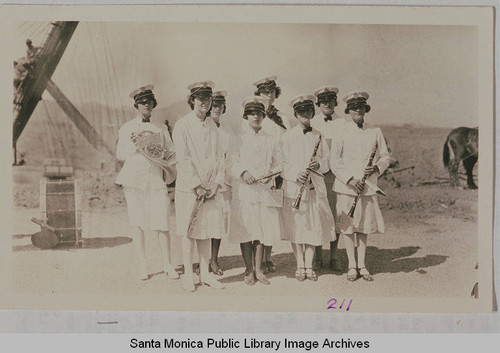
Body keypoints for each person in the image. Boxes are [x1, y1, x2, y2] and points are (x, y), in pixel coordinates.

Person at [115, 85, 178, 281]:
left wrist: (164, 155)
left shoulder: (161, 127)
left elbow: (172, 152)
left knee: (162, 222)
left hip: (155, 179)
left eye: (149, 102)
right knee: (137, 224)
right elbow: (120, 155)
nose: (146, 105)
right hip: (134, 181)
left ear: (154, 104)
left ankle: (167, 264)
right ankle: (143, 264)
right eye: (142, 102)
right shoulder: (127, 128)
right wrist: (135, 145)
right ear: (136, 105)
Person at [330, 91, 390, 282]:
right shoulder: (341, 131)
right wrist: (350, 179)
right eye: (354, 107)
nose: (357, 110)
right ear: (348, 110)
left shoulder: (376, 131)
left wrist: (377, 168)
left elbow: (385, 157)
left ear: (366, 109)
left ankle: (362, 265)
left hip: (367, 186)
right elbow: (334, 160)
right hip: (347, 187)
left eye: (361, 107)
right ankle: (351, 266)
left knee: (363, 226)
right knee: (348, 227)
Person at [172, 81, 225, 292]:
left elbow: (221, 157)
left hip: (210, 189)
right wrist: (196, 185)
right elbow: (182, 159)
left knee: (207, 230)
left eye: (208, 98)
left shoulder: (213, 126)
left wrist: (217, 183)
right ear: (192, 100)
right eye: (200, 98)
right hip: (189, 189)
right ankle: (188, 274)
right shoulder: (182, 125)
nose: (205, 102)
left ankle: (205, 274)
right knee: (189, 231)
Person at [281, 95, 336, 282]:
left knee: (313, 226)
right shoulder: (287, 136)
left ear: (313, 112)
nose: (305, 114)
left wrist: (318, 164)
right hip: (295, 187)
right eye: (301, 111)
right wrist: (296, 174)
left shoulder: (319, 135)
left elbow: (327, 163)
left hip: (314, 188)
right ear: (295, 114)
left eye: (308, 110)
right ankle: (299, 265)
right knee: (296, 227)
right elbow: (282, 163)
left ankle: (309, 265)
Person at [229, 96, 282, 285]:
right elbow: (232, 163)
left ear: (263, 115)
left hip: (264, 190)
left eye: (259, 113)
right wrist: (243, 173)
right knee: (246, 230)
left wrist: (271, 174)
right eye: (251, 113)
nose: (255, 117)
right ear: (246, 116)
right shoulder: (238, 139)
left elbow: (279, 163)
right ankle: (248, 270)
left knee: (261, 230)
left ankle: (259, 270)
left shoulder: (272, 139)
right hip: (245, 191)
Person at [252, 75, 290, 274]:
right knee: (257, 217)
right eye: (264, 92)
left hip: (276, 173)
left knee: (271, 216)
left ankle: (268, 257)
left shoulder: (282, 117)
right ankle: (256, 261)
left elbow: (287, 145)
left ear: (276, 93)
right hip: (257, 175)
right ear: (258, 93)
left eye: (271, 92)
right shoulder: (251, 113)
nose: (268, 95)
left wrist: (278, 172)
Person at [311, 86, 345, 272]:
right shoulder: (312, 122)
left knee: (335, 214)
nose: (327, 103)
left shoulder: (343, 123)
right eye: (323, 100)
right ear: (318, 103)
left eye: (330, 100)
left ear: (335, 102)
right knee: (317, 213)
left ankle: (334, 256)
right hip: (317, 176)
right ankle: (317, 256)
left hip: (336, 176)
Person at [207, 90, 232, 276]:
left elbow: (228, 158)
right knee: (202, 222)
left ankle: (214, 260)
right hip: (203, 181)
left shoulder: (226, 131)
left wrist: (221, 179)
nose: (216, 108)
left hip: (220, 181)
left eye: (220, 105)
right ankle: (200, 259)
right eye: (213, 105)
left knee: (217, 222)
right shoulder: (202, 127)